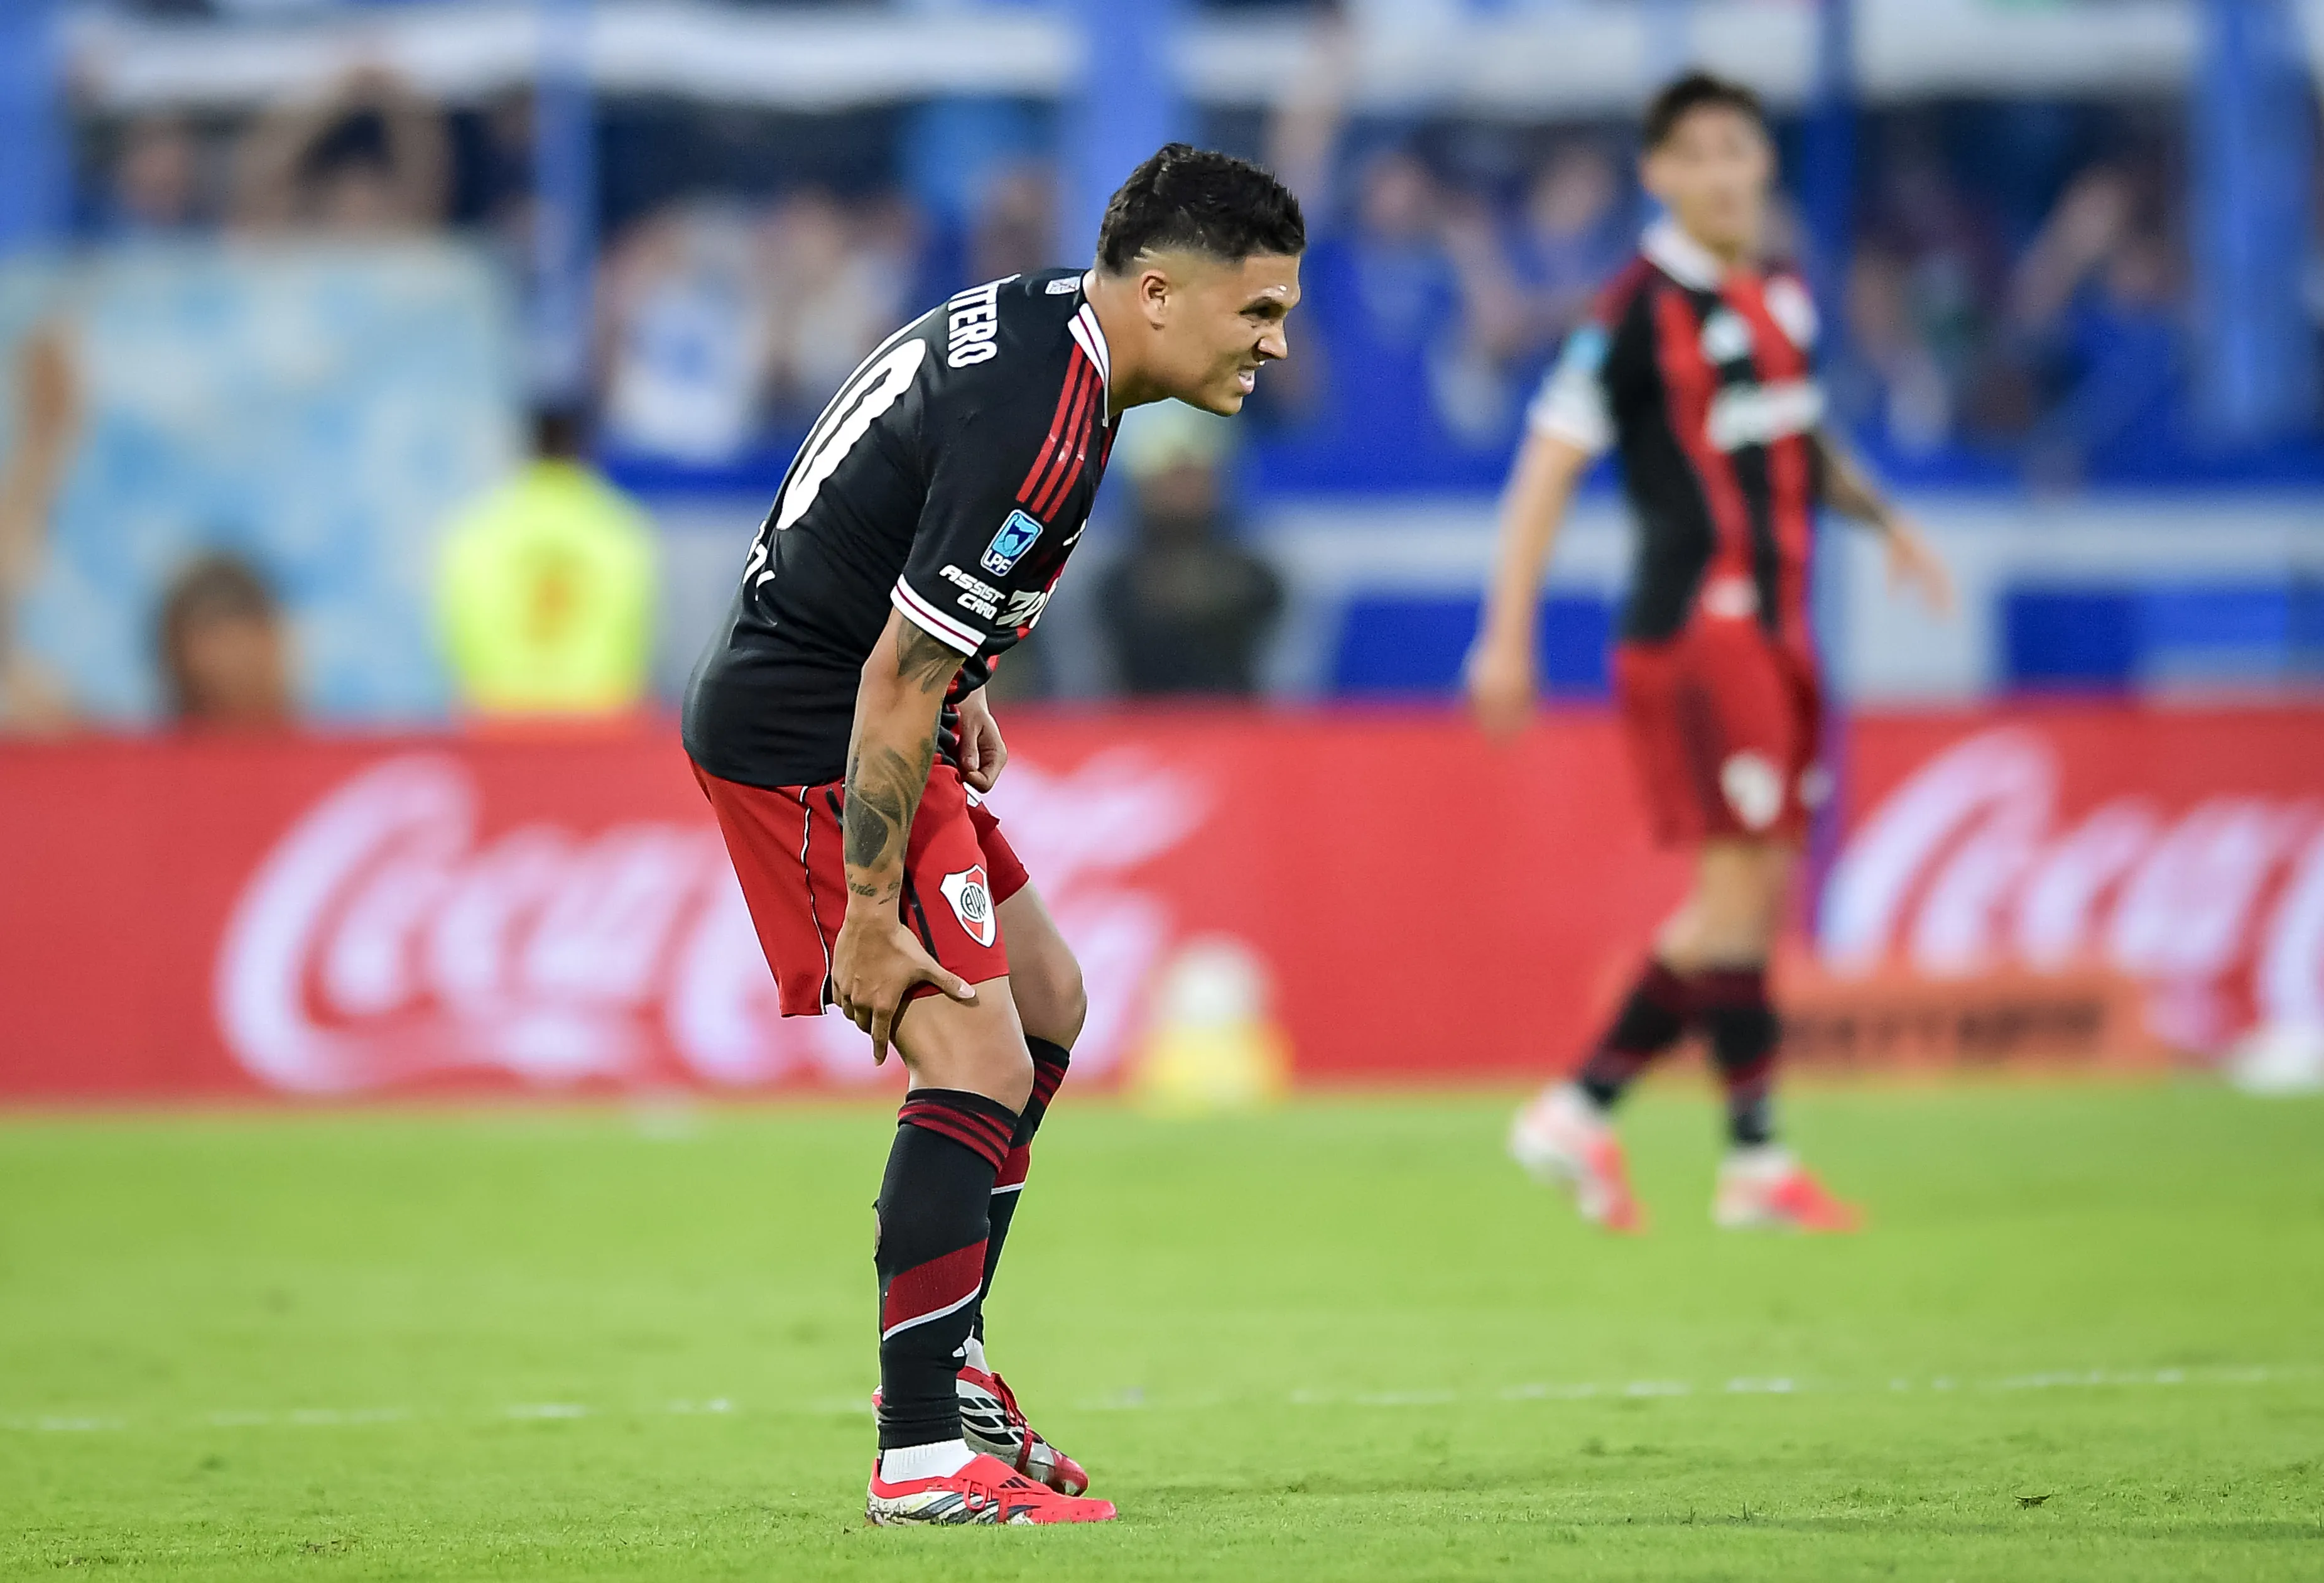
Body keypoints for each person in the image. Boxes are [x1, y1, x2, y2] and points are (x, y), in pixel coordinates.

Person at [681, 144, 1304, 1524]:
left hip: (860, 696)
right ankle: (917, 1454)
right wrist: (862, 909)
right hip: (815, 731)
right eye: (1255, 312)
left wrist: (958, 684)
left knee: (1044, 999)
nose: (1273, 344)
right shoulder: (1049, 415)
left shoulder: (1042, 331)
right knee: (969, 1041)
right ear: (1157, 293)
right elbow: (890, 671)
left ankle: (950, 1371)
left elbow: (891, 551)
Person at [1465, 73, 1953, 1234]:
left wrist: (1886, 520)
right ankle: (1634, 1125)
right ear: (1661, 175)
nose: (1727, 174)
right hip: (1697, 632)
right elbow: (1546, 466)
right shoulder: (1631, 308)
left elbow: (1799, 437)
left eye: (1743, 152)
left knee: (1759, 895)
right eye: (1702, 156)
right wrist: (1507, 632)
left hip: (1782, 632)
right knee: (1733, 894)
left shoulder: (1783, 294)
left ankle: (1715, 1153)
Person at [437, 406, 658, 719]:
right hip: (597, 721)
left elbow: (459, 631)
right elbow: (637, 631)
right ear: (582, 449)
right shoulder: (619, 527)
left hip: (500, 718)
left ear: (527, 448)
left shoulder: (479, 528)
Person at [1097, 406, 1284, 695]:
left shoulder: (1263, 581)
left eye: (1195, 471)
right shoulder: (1104, 588)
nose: (1182, 487)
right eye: (1169, 472)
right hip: (1128, 728)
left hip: (1242, 726)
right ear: (1140, 483)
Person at [156, 552, 295, 729]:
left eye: (238, 644)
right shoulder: (140, 753)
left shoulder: (326, 751)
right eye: (209, 641)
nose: (226, 664)